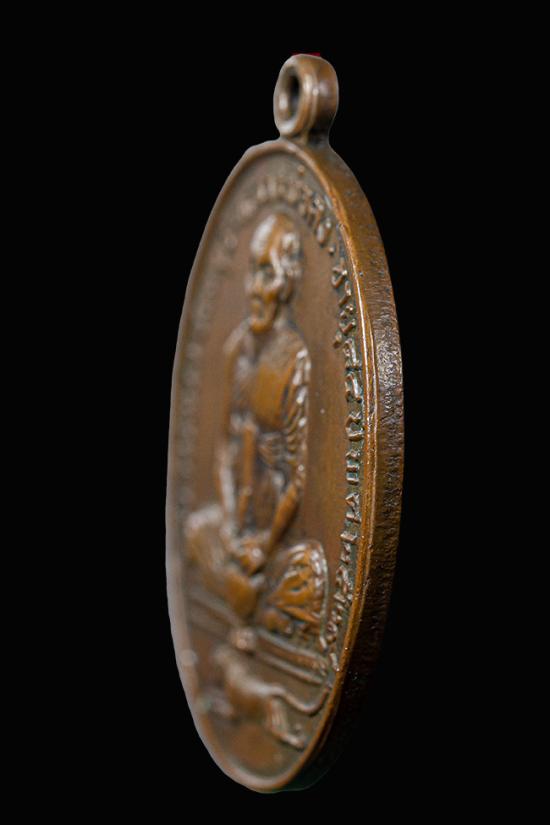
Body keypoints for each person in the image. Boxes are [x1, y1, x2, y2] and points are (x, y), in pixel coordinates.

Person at [185, 211, 327, 645]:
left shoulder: (294, 359)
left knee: (310, 577)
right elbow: (224, 448)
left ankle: (248, 603)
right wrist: (230, 524)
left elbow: (298, 480)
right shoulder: (237, 351)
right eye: (251, 272)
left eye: (266, 273)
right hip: (237, 533)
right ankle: (253, 607)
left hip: (271, 541)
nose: (253, 289)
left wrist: (264, 545)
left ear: (288, 281)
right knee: (197, 533)